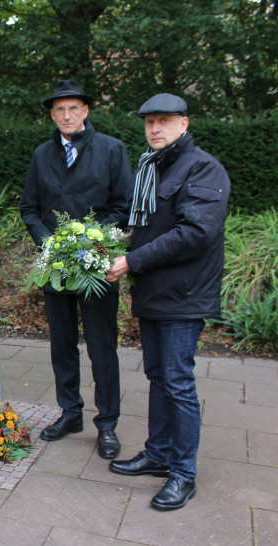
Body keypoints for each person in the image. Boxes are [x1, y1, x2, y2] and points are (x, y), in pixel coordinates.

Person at [105, 93, 230, 511]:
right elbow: (144, 224)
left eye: (164, 121)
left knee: (178, 382)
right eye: (149, 122)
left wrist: (131, 260)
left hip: (185, 295)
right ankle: (158, 454)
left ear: (183, 123)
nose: (155, 128)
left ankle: (183, 474)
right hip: (155, 293)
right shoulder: (152, 166)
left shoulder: (203, 168)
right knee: (159, 376)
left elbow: (196, 233)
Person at [20, 80, 131, 459]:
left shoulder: (112, 150)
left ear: (85, 111)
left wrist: (94, 243)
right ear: (52, 114)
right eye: (58, 110)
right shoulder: (41, 155)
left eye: (73, 109)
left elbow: (123, 206)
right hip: (56, 268)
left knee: (102, 348)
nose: (66, 115)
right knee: (62, 346)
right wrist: (48, 242)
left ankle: (108, 424)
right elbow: (30, 209)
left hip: (97, 268)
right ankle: (70, 413)